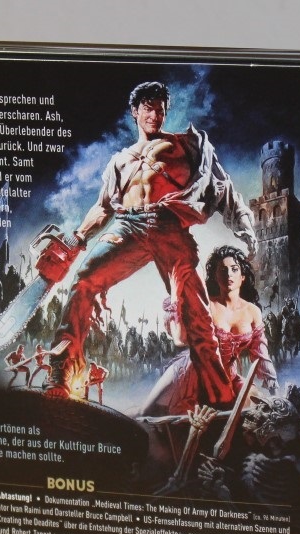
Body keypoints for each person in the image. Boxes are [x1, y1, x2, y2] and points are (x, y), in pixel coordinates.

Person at [45, 81, 256, 403]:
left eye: (160, 110)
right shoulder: (120, 161)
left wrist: (245, 228)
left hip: (168, 227)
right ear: (135, 111)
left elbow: (222, 187)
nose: (155, 115)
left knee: (195, 314)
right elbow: (103, 207)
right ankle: (63, 370)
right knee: (84, 281)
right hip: (128, 226)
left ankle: (219, 396)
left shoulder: (185, 147)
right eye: (148, 108)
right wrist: (77, 238)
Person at [141, 245, 278, 416]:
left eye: (234, 269)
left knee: (253, 410)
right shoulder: (207, 305)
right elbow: (180, 340)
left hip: (229, 378)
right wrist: (176, 296)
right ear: (215, 276)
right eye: (223, 270)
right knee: (145, 412)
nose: (228, 275)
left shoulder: (252, 311)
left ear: (243, 276)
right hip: (192, 371)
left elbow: (260, 351)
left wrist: (271, 381)